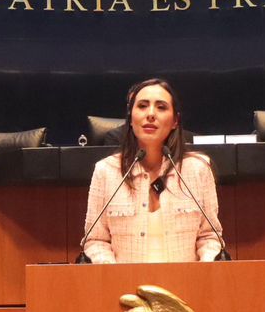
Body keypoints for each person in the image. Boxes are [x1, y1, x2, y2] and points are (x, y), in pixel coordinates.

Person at [81, 77, 223, 263]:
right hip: (124, 281)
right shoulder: (106, 171)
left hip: (186, 280)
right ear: (130, 118)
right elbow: (96, 240)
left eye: (161, 107)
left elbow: (209, 237)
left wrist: (206, 264)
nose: (151, 114)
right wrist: (111, 270)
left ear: (175, 121)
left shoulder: (198, 169)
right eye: (142, 106)